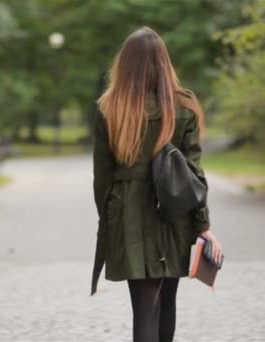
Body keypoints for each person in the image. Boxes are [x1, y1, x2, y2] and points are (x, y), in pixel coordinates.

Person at [90, 26, 224, 342]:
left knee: (144, 307)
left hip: (128, 215)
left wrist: (109, 220)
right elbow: (194, 174)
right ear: (164, 62)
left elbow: (102, 177)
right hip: (173, 213)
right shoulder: (183, 107)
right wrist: (202, 224)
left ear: (125, 65)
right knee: (167, 301)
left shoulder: (109, 110)